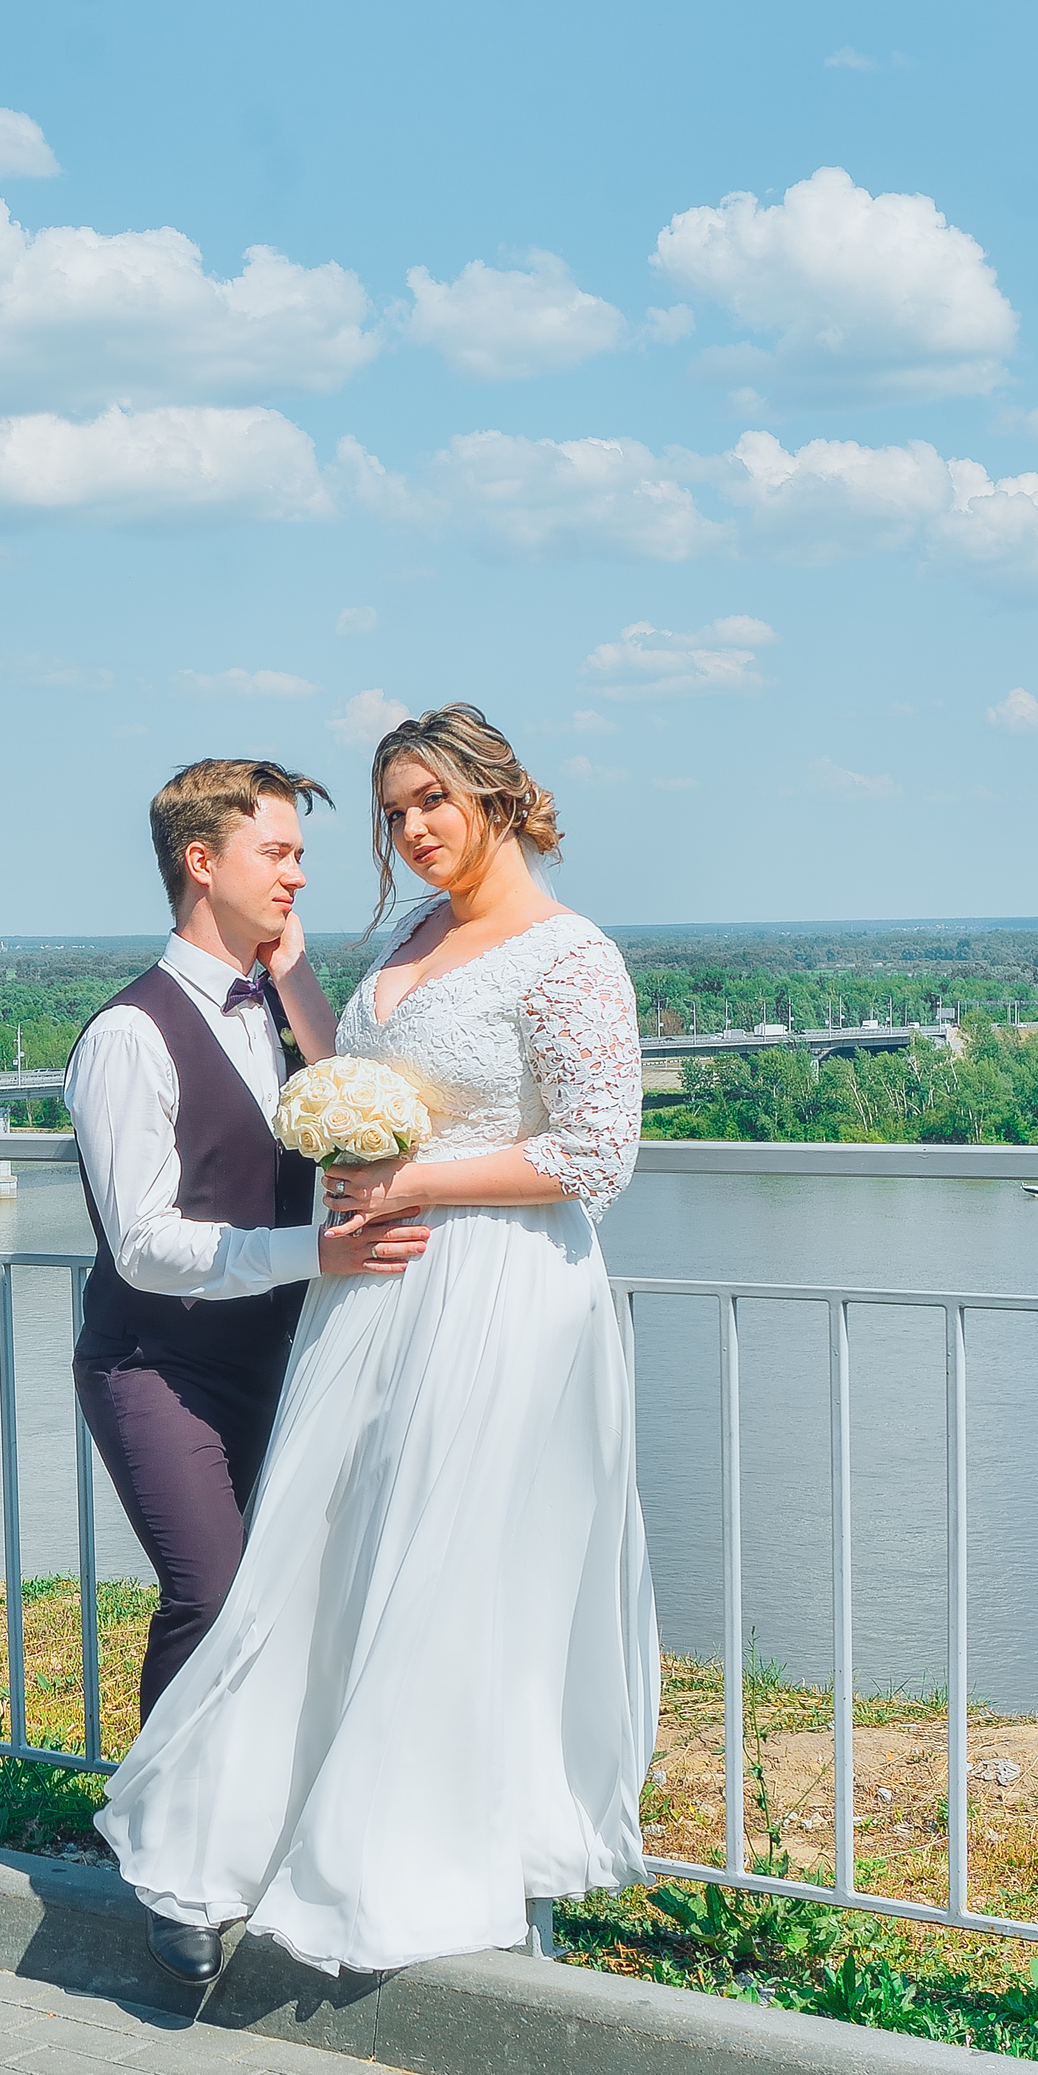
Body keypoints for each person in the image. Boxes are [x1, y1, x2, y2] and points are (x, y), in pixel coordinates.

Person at [96, 707, 659, 1985]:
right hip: (377, 1291)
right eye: (393, 811)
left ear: (498, 796)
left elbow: (595, 1155)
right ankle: (251, 1832)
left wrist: (413, 1184)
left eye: (431, 803)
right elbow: (360, 1067)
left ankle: (415, 1855)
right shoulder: (409, 935)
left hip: (501, 1291)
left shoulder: (571, 958)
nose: (409, 832)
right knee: (328, 1552)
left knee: (447, 1569)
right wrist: (294, 977)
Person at [67, 760, 429, 1982]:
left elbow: (361, 1116)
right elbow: (149, 1244)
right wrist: (313, 1252)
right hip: (153, 1363)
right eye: (276, 851)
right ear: (200, 864)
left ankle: (258, 1844)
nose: (298, 873)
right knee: (212, 1597)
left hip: (280, 1361)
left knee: (294, 1606)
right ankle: (164, 1857)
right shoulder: (128, 1035)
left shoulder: (280, 1009)